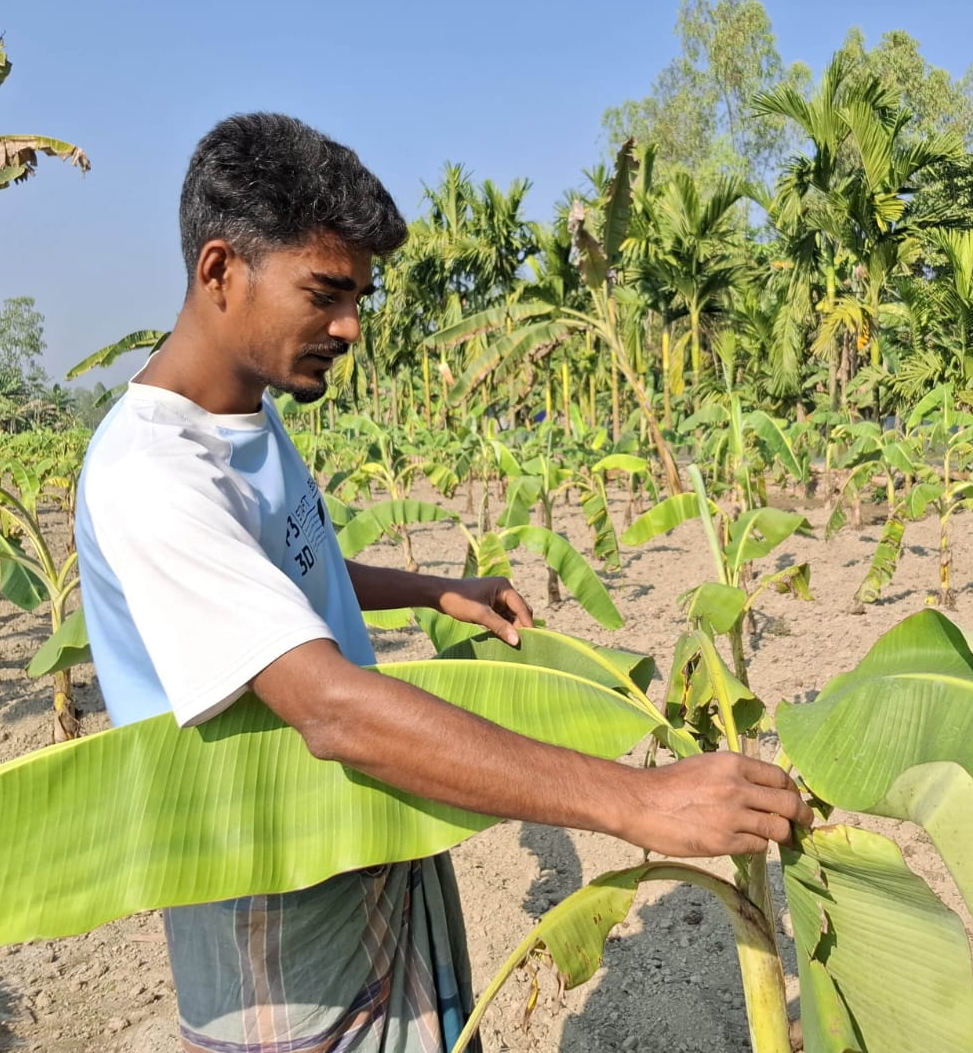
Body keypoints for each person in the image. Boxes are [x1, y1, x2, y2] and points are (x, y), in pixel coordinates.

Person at [74, 113, 811, 1053]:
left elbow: (282, 581)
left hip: (365, 830)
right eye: (326, 292)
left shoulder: (246, 417)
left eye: (360, 298)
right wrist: (637, 801)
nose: (349, 326)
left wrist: (428, 591)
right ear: (221, 271)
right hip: (268, 890)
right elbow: (331, 711)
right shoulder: (154, 471)